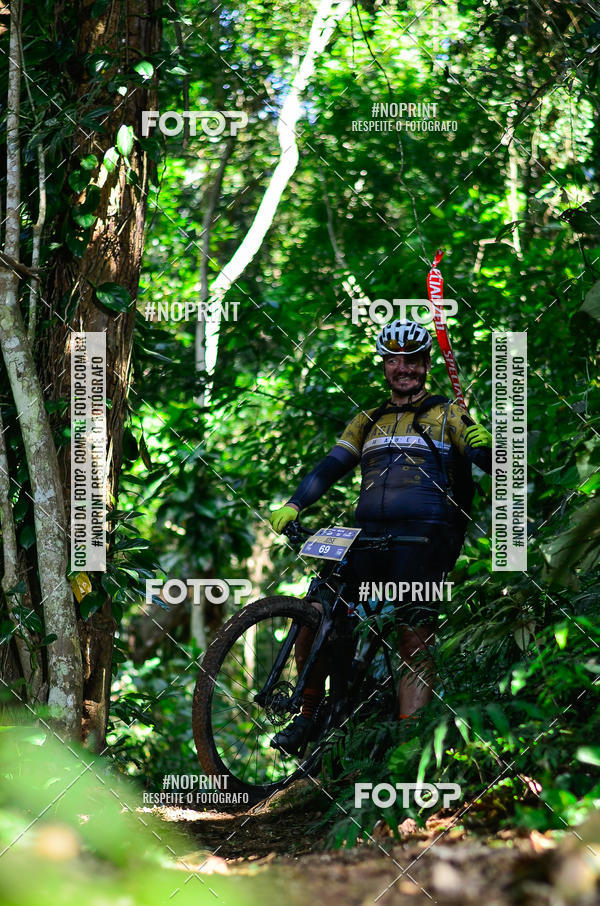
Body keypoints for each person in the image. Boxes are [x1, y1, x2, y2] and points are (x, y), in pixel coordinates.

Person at [268, 319, 492, 755]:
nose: (403, 367)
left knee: (413, 636)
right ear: (385, 365)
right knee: (315, 613)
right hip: (367, 538)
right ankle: (308, 716)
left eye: (412, 360)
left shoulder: (450, 414)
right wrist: (295, 503)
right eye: (395, 360)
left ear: (427, 364)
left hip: (424, 540)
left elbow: (492, 464)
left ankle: (408, 752)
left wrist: (491, 446)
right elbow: (331, 466)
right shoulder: (367, 420)